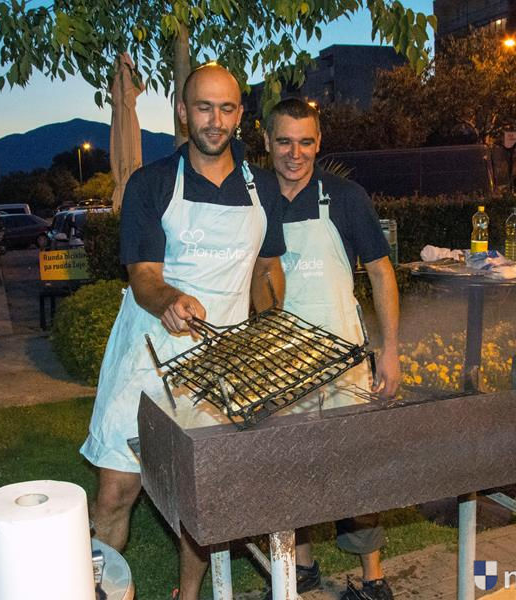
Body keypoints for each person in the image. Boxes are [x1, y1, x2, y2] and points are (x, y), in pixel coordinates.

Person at [80, 63, 285, 600]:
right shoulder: (151, 183)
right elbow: (144, 277)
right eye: (203, 107)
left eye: (226, 108)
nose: (215, 120)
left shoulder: (262, 186)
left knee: (203, 496)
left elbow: (267, 268)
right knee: (115, 491)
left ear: (240, 115)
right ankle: (98, 590)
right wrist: (170, 300)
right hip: (148, 350)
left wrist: (269, 324)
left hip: (221, 358)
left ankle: (187, 595)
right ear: (181, 112)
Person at [264, 98, 402, 600]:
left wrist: (390, 349)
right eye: (284, 141)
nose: (295, 153)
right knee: (289, 466)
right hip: (280, 359)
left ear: (318, 143)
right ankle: (299, 568)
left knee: (355, 467)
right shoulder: (255, 200)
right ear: (267, 141)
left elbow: (381, 272)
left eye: (305, 142)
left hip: (344, 356)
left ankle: (373, 578)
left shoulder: (345, 197)